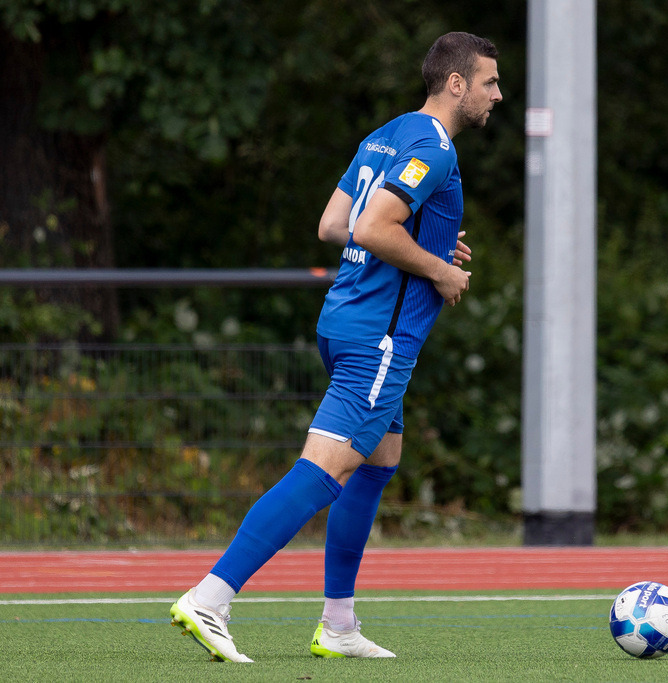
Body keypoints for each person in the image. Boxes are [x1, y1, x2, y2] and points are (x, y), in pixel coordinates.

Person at [169, 31, 502, 663]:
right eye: (489, 81)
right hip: (380, 336)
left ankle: (339, 625)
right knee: (326, 471)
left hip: (343, 322)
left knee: (377, 465)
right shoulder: (433, 148)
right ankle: (211, 597)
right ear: (456, 83)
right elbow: (376, 227)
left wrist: (428, 248)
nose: (497, 93)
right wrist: (440, 271)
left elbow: (333, 225)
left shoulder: (387, 133)